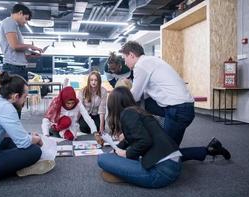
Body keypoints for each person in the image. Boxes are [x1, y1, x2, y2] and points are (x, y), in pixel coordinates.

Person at [97, 87, 231, 188]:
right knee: (114, 156)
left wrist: (125, 153)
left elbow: (144, 141)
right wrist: (117, 149)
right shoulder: (138, 112)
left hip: (161, 173)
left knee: (102, 159)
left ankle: (127, 173)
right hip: (173, 164)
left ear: (114, 104)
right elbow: (131, 138)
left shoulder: (127, 114)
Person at [119, 41, 194, 147]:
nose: (125, 63)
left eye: (124, 58)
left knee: (165, 154)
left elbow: (134, 96)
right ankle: (147, 128)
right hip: (181, 107)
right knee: (142, 103)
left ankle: (209, 150)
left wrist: (118, 97)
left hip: (178, 110)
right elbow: (143, 96)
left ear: (131, 55)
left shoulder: (141, 66)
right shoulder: (151, 60)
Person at [0, 4, 43, 81]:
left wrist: (30, 53)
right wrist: (31, 46)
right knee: (18, 92)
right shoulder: (9, 22)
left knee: (21, 92)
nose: (25, 22)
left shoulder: (14, 25)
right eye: (25, 18)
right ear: (20, 13)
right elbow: (15, 46)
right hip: (14, 67)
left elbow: (14, 48)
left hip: (16, 67)